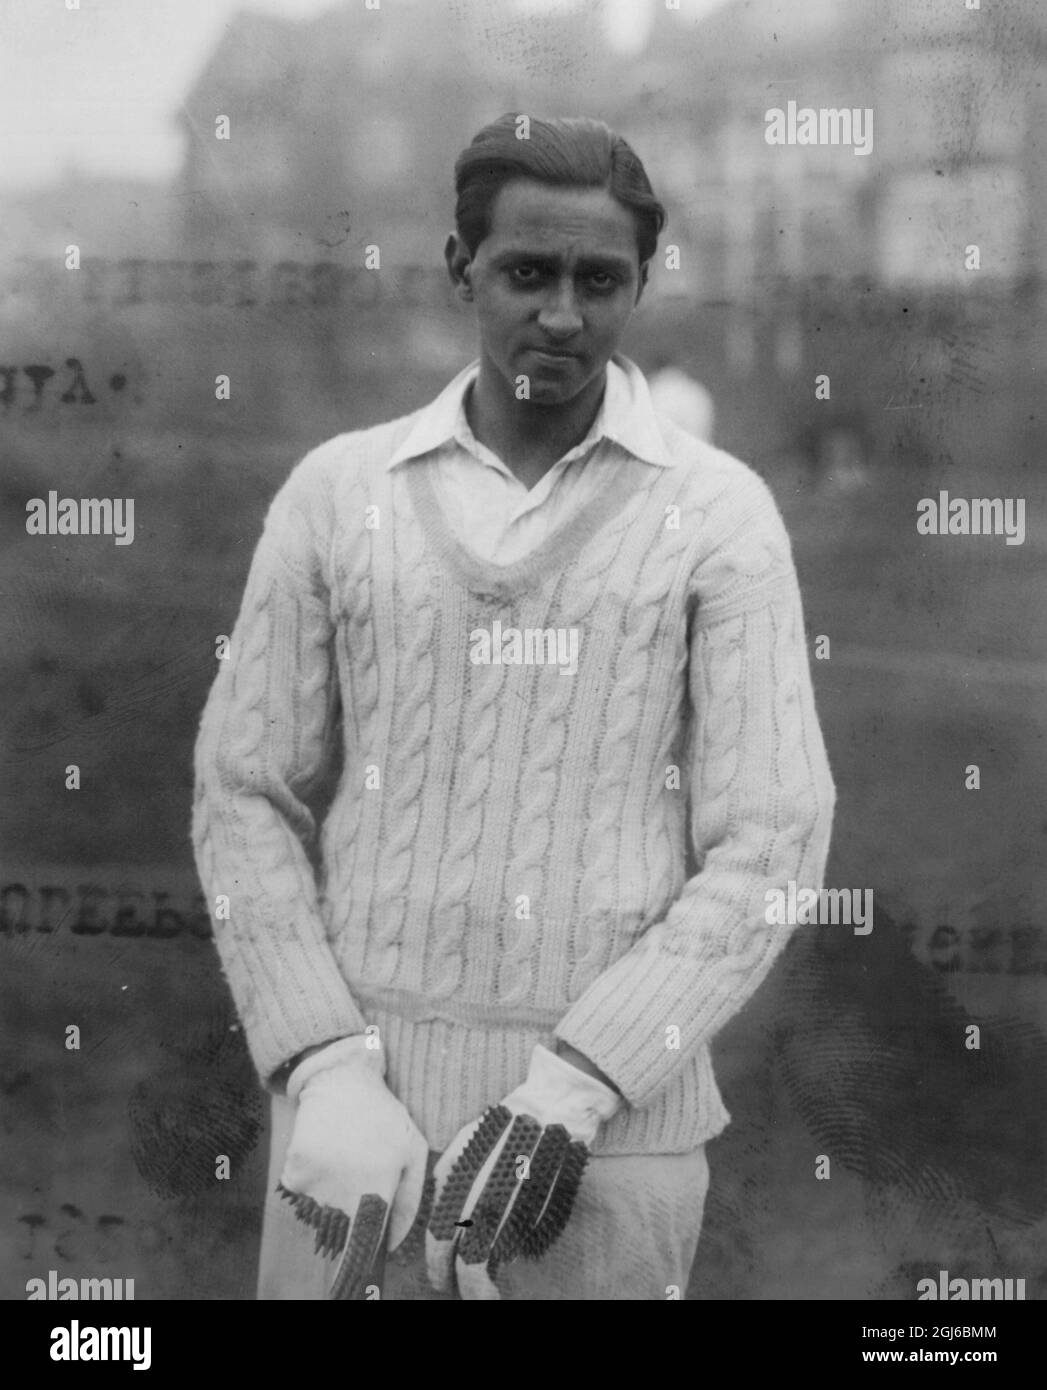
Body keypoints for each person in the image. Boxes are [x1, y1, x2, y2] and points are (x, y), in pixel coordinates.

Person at [191, 113, 836, 1301]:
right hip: (354, 1137)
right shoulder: (340, 492)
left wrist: (576, 1087)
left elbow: (775, 837)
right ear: (459, 268)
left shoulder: (722, 514)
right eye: (525, 273)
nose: (561, 315)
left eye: (600, 280)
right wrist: (323, 1061)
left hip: (605, 1151)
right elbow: (243, 789)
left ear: (641, 284)